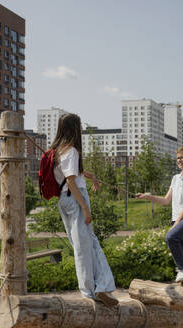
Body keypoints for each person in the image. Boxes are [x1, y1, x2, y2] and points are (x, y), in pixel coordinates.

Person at [51, 113, 118, 306]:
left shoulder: (57, 150)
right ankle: (94, 291)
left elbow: (68, 174)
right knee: (86, 246)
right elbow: (71, 181)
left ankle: (97, 287)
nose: (81, 130)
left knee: (82, 245)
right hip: (75, 198)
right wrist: (86, 209)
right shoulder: (71, 150)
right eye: (79, 126)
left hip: (64, 200)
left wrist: (88, 174)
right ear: (74, 129)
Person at [136, 146, 183, 288]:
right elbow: (166, 200)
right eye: (178, 158)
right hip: (177, 219)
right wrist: (149, 197)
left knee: (170, 237)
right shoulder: (175, 178)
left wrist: (177, 222)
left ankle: (182, 271)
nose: (180, 160)